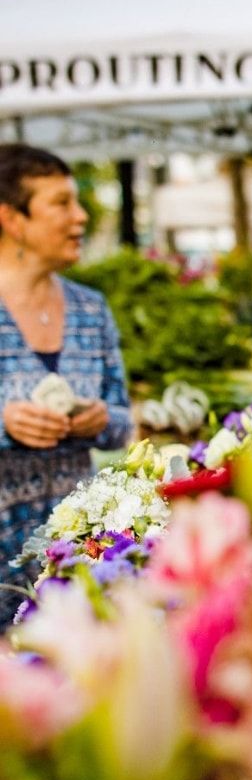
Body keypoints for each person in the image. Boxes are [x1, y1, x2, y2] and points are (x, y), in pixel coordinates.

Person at [0, 144, 131, 623]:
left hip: (75, 551)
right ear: (13, 219)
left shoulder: (90, 309)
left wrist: (100, 419)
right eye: (61, 203)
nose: (80, 217)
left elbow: (122, 421)